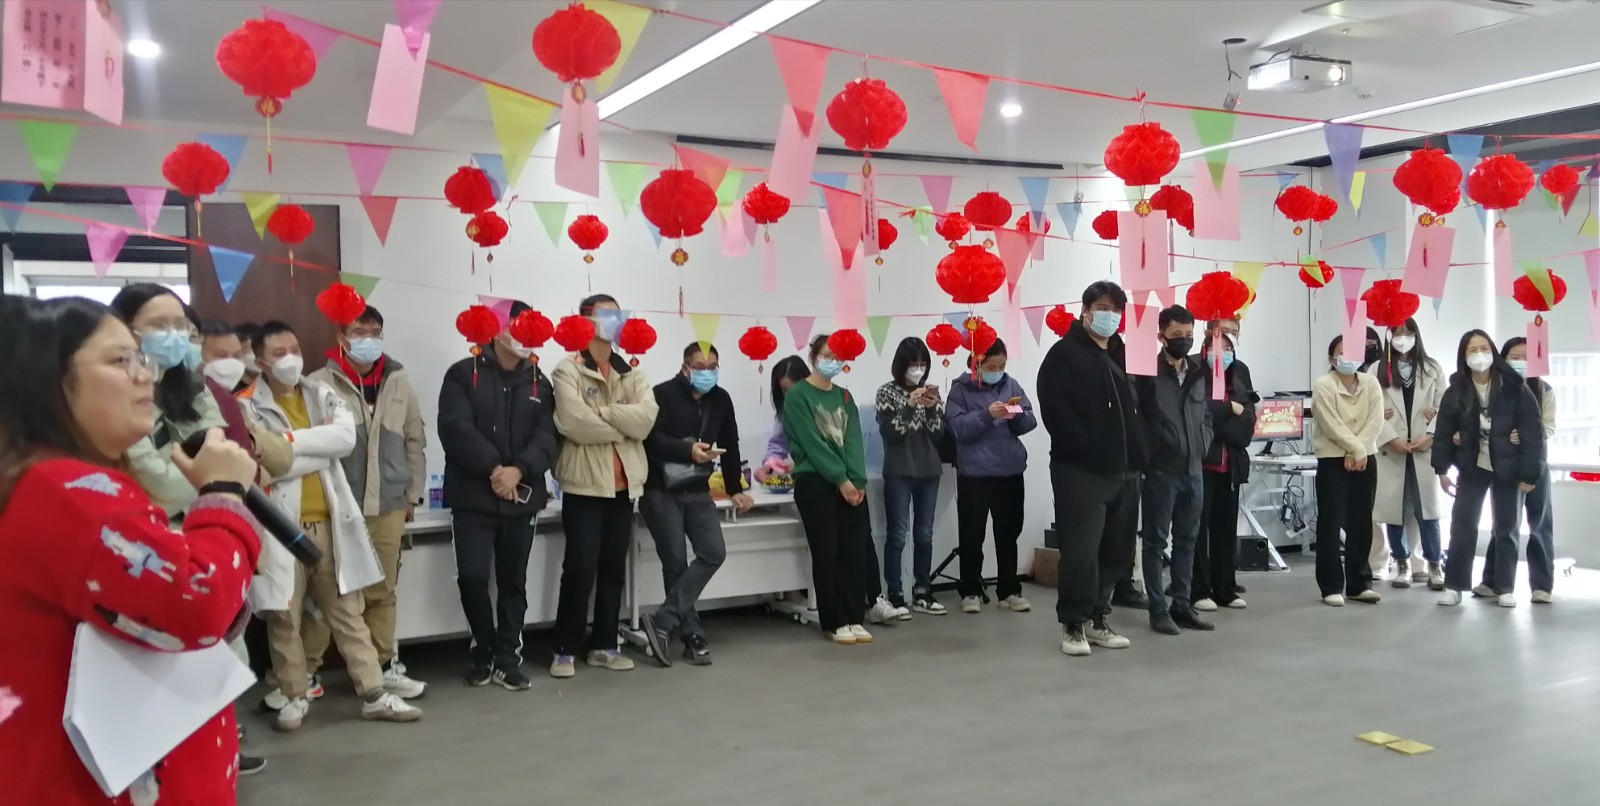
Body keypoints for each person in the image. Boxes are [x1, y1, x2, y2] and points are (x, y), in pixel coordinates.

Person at [0, 295, 262, 804]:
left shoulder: (48, 481)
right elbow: (195, 602)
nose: (146, 375)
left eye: (141, 358)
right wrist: (224, 495)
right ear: (49, 379)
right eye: (121, 360)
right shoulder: (68, 491)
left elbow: (141, 607)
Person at [240, 321, 423, 729]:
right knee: (284, 617)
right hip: (279, 527)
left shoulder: (321, 393)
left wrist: (284, 446)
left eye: (293, 349)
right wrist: (311, 447)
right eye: (278, 353)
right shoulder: (245, 405)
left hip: (329, 522)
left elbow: (343, 441)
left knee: (347, 612)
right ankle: (293, 696)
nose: (290, 358)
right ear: (260, 361)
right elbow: (259, 465)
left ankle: (374, 693)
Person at [303, 305, 429, 695]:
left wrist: (412, 496)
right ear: (342, 337)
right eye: (360, 332)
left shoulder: (399, 381)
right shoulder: (319, 384)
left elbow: (414, 442)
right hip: (336, 506)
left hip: (388, 504)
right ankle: (305, 672)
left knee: (382, 590)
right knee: (328, 593)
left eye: (375, 332)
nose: (369, 340)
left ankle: (383, 666)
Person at [437, 300, 556, 690]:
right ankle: (483, 649)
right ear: (497, 329)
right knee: (472, 577)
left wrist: (517, 471)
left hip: (522, 497)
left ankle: (507, 657)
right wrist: (494, 470)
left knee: (513, 581)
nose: (523, 335)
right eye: (516, 325)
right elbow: (455, 429)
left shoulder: (540, 381)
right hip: (472, 496)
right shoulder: (462, 373)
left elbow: (547, 437)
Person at [550, 294, 658, 677]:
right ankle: (564, 648)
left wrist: (604, 413)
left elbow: (646, 420)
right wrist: (623, 424)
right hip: (583, 486)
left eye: (618, 313)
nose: (615, 319)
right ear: (585, 320)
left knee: (613, 568)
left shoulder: (632, 371)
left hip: (623, 485)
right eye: (606, 313)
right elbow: (573, 423)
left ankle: (605, 645)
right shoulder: (568, 369)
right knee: (580, 567)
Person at [1039, 281, 1148, 657]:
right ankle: (1073, 624)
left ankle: (1099, 617)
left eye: (1115, 309)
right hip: (1081, 471)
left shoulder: (1125, 353)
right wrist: (1087, 448)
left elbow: (1145, 404)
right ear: (1085, 310)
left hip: (1126, 471)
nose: (1109, 315)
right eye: (1102, 307)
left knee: (1116, 552)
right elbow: (1056, 412)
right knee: (1080, 551)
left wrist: (1142, 449)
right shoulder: (1063, 355)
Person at [640, 342, 750, 667]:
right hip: (660, 489)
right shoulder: (661, 394)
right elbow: (650, 439)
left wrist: (734, 488)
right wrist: (687, 451)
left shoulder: (721, 399)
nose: (707, 372)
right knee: (675, 562)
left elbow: (730, 443)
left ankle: (662, 621)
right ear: (685, 368)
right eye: (700, 367)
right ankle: (692, 636)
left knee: (714, 552)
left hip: (699, 489)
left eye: (712, 366)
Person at [1431, 330, 1543, 608]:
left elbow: (1533, 432)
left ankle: (1504, 587)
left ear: (1493, 352)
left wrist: (1529, 474)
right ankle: (1454, 585)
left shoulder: (1514, 387)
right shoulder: (1456, 390)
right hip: (1472, 466)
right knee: (1462, 525)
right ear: (1464, 355)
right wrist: (1442, 470)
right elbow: (1443, 432)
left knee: (1507, 527)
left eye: (1484, 348)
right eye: (1472, 350)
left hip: (1508, 467)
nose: (1479, 354)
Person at [108, 284, 226, 516]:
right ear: (124, 331)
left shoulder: (196, 387)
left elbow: (219, 454)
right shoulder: (113, 394)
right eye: (158, 326)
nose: (173, 335)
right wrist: (210, 472)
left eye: (180, 325)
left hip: (201, 518)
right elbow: (160, 490)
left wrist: (213, 471)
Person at [785, 334, 873, 644]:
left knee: (855, 551)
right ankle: (834, 621)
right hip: (815, 481)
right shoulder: (797, 395)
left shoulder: (844, 397)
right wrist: (840, 479)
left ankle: (854, 616)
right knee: (828, 552)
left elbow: (853, 440)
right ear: (814, 356)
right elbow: (812, 443)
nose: (832, 361)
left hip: (849, 482)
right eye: (827, 355)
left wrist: (857, 480)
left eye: (838, 357)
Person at [1133, 305, 1214, 634]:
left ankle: (1182, 604)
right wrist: (1153, 451)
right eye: (1176, 334)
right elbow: (1139, 420)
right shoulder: (1147, 374)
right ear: (1161, 336)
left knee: (1188, 541)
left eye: (1188, 334)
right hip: (1161, 471)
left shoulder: (1198, 371)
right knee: (1155, 542)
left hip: (1194, 470)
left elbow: (1205, 414)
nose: (1184, 340)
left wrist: (1204, 442)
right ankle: (1158, 609)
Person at [944, 337, 1036, 614]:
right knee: (972, 534)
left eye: (1002, 365)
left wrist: (1016, 414)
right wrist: (987, 414)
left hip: (1010, 470)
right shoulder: (960, 390)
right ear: (977, 364)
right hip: (975, 473)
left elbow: (1030, 420)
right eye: (992, 366)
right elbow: (957, 428)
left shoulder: (1011, 385)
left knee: (1008, 533)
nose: (998, 371)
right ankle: (970, 589)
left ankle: (1009, 590)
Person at [1368, 319, 1445, 590]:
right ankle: (1401, 564)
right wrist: (1391, 438)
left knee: (1428, 511)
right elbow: (1372, 410)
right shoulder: (1377, 369)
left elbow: (1445, 406)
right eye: (1397, 333)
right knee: (1395, 510)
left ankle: (1434, 564)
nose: (1403, 338)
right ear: (1388, 336)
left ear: (1416, 335)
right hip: (1392, 449)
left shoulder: (1432, 368)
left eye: (1408, 332)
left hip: (1424, 448)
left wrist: (1431, 435)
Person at [1310, 335, 1385, 607]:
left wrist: (1360, 450)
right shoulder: (1324, 384)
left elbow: (1376, 420)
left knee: (1361, 520)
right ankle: (1331, 586)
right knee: (1330, 522)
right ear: (1332, 358)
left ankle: (1360, 583)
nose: (1347, 357)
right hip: (1333, 458)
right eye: (1341, 352)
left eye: (1351, 351)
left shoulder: (1371, 383)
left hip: (1365, 458)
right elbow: (1330, 423)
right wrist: (1354, 448)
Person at [1480, 337, 1556, 603]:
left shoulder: (1543, 389)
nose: (1521, 362)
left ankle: (1542, 585)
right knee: (1504, 525)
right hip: (1505, 464)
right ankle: (1492, 581)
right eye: (1515, 357)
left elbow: (1549, 427)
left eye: (1527, 357)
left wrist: (1526, 434)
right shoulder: (1496, 388)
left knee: (1539, 524)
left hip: (1536, 464)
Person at [876, 337, 947, 616]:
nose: (918, 369)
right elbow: (890, 433)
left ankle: (922, 591)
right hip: (899, 470)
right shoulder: (886, 392)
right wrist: (908, 405)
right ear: (901, 365)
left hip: (929, 470)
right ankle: (894, 593)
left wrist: (929, 408)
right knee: (897, 534)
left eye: (922, 363)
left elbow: (939, 435)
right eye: (913, 363)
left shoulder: (931, 393)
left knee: (924, 534)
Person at [1191, 332, 1254, 610]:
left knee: (1225, 530)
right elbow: (1200, 419)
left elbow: (1245, 429)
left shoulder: (1239, 383)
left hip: (1231, 467)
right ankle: (1199, 590)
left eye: (1227, 348)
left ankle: (1226, 589)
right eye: (1216, 348)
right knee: (1198, 531)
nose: (1222, 353)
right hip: (1202, 466)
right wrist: (1228, 409)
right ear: (1204, 351)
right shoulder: (1196, 381)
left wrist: (1220, 420)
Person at [756, 355, 811, 481]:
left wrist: (803, 466)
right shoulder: (786, 414)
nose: (791, 396)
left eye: (795, 389)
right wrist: (769, 466)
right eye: (785, 390)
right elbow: (778, 445)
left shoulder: (821, 408)